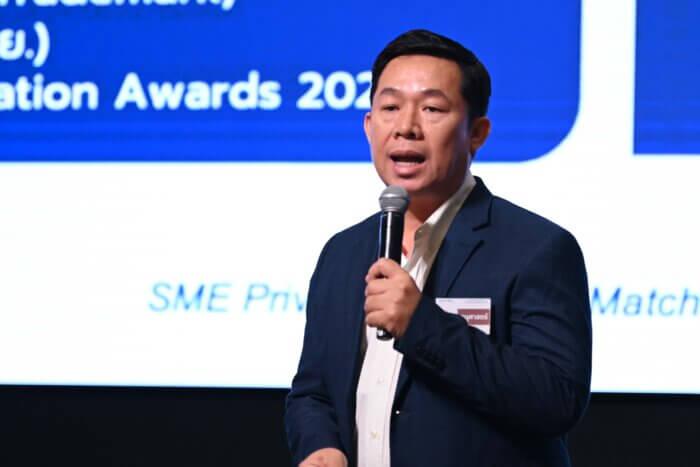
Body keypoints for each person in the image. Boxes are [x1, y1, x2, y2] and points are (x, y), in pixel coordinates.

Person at [285, 29, 592, 467]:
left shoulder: (538, 249)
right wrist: (321, 446)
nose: (406, 128)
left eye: (431, 109)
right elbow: (312, 391)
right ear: (369, 127)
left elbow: (556, 400)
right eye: (390, 108)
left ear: (477, 133)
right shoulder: (342, 252)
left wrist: (422, 325)